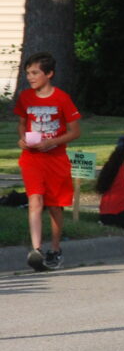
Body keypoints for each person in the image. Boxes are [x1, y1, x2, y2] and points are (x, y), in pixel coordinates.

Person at [14, 52, 83, 271]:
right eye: (28, 73)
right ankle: (36, 249)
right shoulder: (25, 97)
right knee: (35, 200)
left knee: (55, 205)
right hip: (32, 159)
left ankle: (54, 248)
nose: (30, 77)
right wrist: (23, 139)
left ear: (49, 74)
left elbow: (75, 131)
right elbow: (22, 123)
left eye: (35, 73)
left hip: (55, 159)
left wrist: (53, 141)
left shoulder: (61, 98)